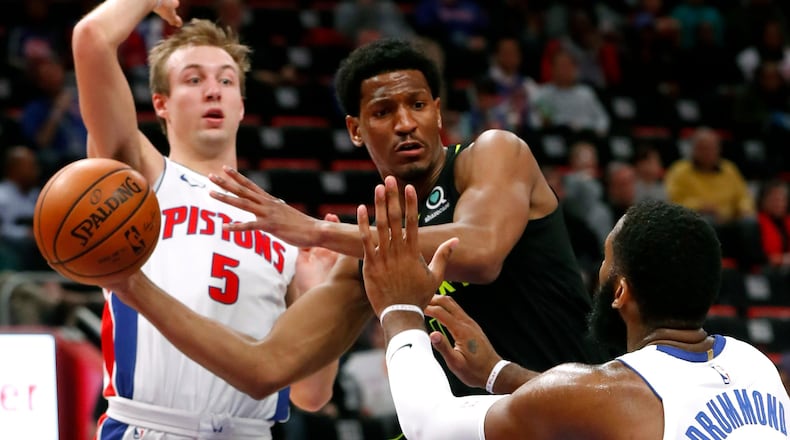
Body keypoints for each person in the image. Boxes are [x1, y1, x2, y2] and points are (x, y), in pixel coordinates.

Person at [100, 35, 608, 432]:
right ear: (356, 130)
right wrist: (132, 286)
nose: (405, 123)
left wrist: (318, 231)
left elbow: (478, 250)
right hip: (469, 426)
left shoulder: (493, 154)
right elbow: (263, 368)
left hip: (564, 411)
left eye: (417, 105)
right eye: (383, 112)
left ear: (438, 110)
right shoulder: (368, 249)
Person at [72, 2, 340, 438]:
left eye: (226, 80)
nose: (212, 90)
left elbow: (312, 394)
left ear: (240, 105)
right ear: (161, 104)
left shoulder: (284, 226)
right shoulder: (139, 178)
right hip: (151, 427)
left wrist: (315, 292)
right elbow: (92, 40)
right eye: (193, 79)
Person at [358, 189, 790, 439]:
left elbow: (428, 425)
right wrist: (498, 373)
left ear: (619, 291)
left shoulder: (604, 392)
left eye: (605, 261)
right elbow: (605, 411)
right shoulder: (754, 363)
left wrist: (399, 310)